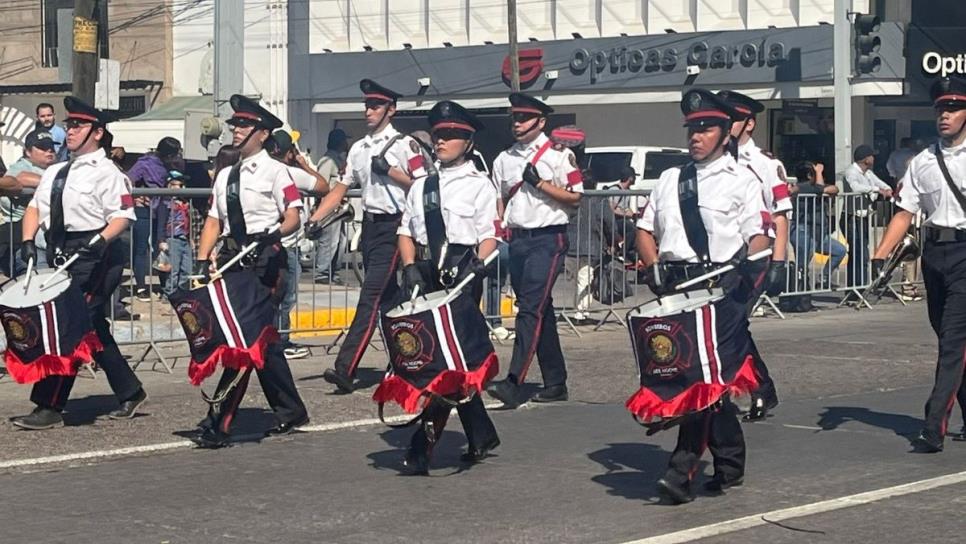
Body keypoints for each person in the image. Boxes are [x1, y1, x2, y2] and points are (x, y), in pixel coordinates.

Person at [634, 88, 772, 504]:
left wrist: (753, 271)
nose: (696, 135)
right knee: (688, 378)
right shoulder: (670, 179)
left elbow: (758, 237)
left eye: (706, 128)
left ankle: (680, 472)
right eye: (692, 128)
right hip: (676, 289)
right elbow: (644, 229)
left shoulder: (743, 181)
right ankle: (730, 461)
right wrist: (653, 263)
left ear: (725, 132)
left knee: (703, 381)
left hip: (720, 289)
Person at [13, 96, 148, 430]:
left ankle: (49, 405)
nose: (70, 130)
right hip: (62, 250)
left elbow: (123, 215)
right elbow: (35, 209)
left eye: (78, 125)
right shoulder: (58, 171)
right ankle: (130, 391)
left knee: (69, 325)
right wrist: (28, 241)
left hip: (97, 254)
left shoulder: (108, 173)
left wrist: (99, 240)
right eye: (69, 124)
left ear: (97, 132)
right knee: (91, 327)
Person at [390, 100, 501, 474]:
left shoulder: (480, 185)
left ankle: (422, 444)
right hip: (426, 275)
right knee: (440, 361)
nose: (441, 140)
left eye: (450, 135)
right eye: (438, 134)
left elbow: (491, 235)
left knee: (447, 364)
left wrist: (477, 265)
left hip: (462, 275)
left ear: (467, 142)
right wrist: (409, 268)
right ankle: (481, 433)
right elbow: (405, 232)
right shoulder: (422, 186)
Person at [193, 94, 309, 447]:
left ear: (262, 134)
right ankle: (290, 409)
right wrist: (202, 258)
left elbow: (293, 214)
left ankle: (220, 422)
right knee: (261, 343)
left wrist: (274, 233)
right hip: (233, 262)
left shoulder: (278, 172)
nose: (236, 130)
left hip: (264, 262)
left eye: (244, 125)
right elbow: (214, 220)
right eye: (235, 124)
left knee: (243, 341)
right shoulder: (226, 175)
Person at [305, 79, 426, 393]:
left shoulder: (405, 145)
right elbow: (340, 190)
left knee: (370, 295)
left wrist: (392, 172)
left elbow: (423, 187)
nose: (368, 111)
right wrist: (316, 218)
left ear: (391, 109)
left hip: (397, 228)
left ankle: (346, 367)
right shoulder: (358, 149)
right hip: (370, 227)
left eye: (375, 106)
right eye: (367, 106)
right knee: (389, 300)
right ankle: (413, 358)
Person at [871, 77, 966, 453]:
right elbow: (904, 213)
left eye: (954, 108)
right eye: (941, 109)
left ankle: (933, 426)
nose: (945, 115)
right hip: (935, 256)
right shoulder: (924, 161)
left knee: (954, 343)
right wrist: (880, 255)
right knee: (948, 339)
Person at [486, 93, 584, 408]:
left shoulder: (559, 155)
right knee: (541, 310)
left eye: (524, 117)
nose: (517, 123)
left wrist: (540, 184)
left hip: (548, 238)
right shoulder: (504, 158)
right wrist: (500, 225)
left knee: (529, 309)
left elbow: (576, 196)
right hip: (518, 239)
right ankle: (556, 382)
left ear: (540, 121)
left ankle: (515, 381)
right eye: (514, 117)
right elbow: (501, 196)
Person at [717, 90, 793, 421]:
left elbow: (780, 214)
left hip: (754, 257)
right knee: (728, 327)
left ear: (749, 122)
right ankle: (761, 389)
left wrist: (778, 262)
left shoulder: (765, 163)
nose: (726, 124)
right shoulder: (715, 159)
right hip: (719, 256)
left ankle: (727, 392)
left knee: (729, 325)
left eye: (732, 118)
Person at [266, 129, 329, 360]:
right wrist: (304, 164)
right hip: (287, 245)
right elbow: (323, 186)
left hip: (268, 244)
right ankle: (281, 341)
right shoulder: (290, 172)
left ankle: (272, 338)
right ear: (289, 152)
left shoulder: (265, 172)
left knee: (272, 295)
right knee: (286, 297)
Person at [127, 137, 183, 301]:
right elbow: (128, 181)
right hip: (143, 209)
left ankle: (165, 285)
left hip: (163, 208)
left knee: (161, 245)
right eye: (173, 155)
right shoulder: (145, 163)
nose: (175, 158)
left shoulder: (171, 165)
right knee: (141, 247)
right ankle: (141, 287)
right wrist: (135, 197)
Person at [0, 129, 57, 276]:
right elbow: (20, 179)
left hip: (49, 235)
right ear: (28, 152)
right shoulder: (22, 166)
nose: (49, 150)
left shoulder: (55, 169)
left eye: (51, 146)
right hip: (19, 237)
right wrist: (57, 184)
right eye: (43, 147)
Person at [842, 144, 893, 289]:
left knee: (862, 253)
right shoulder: (852, 172)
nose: (873, 158)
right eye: (871, 155)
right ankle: (855, 287)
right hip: (852, 218)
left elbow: (880, 183)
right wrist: (876, 189)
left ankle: (859, 286)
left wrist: (887, 189)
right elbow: (855, 187)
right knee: (858, 253)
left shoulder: (868, 173)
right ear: (865, 159)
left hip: (863, 218)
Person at [790, 161, 846, 288]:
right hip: (803, 230)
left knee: (839, 250)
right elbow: (819, 189)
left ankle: (824, 278)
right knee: (803, 263)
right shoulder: (802, 187)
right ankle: (799, 289)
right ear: (810, 175)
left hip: (819, 233)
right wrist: (819, 173)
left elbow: (834, 189)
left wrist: (823, 189)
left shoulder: (815, 187)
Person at [314, 128, 350, 285]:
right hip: (329, 207)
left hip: (339, 208)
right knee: (329, 240)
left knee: (340, 241)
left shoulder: (338, 160)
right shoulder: (328, 161)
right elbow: (321, 184)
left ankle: (334, 272)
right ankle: (322, 273)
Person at [158, 171, 192, 296]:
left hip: (185, 238)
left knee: (187, 270)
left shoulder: (186, 202)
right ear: (170, 185)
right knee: (173, 269)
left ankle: (182, 293)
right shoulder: (166, 203)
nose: (181, 188)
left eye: (182, 185)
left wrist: (190, 238)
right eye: (177, 184)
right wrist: (161, 240)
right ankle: (169, 294)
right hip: (172, 238)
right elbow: (161, 223)